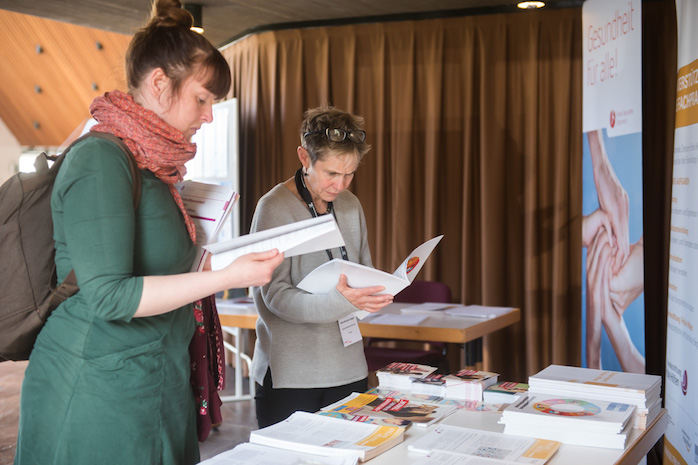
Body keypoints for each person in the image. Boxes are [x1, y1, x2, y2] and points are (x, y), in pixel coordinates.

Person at [13, 1, 283, 464]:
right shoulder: (101, 159)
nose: (209, 116)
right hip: (96, 386)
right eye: (202, 99)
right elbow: (110, 297)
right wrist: (226, 276)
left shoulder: (156, 169)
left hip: (156, 376)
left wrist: (231, 261)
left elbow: (168, 269)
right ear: (160, 83)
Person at [250, 106, 394, 428]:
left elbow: (362, 270)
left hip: (348, 366)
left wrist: (375, 293)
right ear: (304, 157)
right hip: (292, 375)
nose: (341, 185)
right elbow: (274, 296)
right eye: (331, 173)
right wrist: (340, 302)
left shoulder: (351, 204)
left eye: (349, 174)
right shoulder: (273, 208)